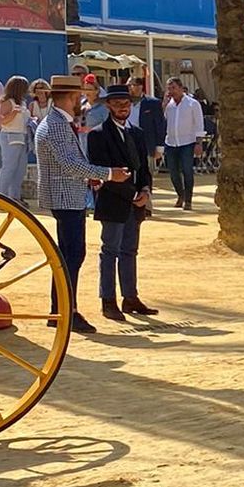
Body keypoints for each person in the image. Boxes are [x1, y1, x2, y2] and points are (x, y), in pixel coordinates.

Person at [34, 77, 120, 335]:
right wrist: (107, 173)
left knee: (69, 254)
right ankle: (65, 310)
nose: (80, 101)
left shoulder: (56, 121)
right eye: (77, 96)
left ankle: (59, 309)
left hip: (65, 193)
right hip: (65, 196)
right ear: (70, 97)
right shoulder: (58, 124)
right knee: (72, 254)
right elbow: (70, 164)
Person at [86, 82, 156, 319]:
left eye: (126, 104)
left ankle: (130, 297)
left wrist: (145, 190)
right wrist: (133, 194)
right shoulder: (97, 135)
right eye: (117, 104)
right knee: (110, 251)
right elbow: (102, 171)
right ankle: (108, 300)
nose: (122, 108)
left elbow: (144, 168)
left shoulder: (137, 133)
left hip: (135, 202)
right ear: (108, 106)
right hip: (113, 201)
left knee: (130, 250)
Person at [163, 78, 205, 209]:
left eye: (173, 88)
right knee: (173, 172)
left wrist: (198, 142)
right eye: (169, 88)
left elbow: (199, 123)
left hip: (187, 142)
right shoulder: (169, 105)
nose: (171, 91)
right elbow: (164, 120)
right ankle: (180, 195)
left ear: (181, 88)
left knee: (187, 171)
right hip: (171, 142)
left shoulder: (193, 104)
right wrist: (164, 104)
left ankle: (188, 200)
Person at [0, 76, 33, 204]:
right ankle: (1, 197)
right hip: (10, 135)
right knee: (9, 167)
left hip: (22, 136)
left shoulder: (22, 102)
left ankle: (14, 197)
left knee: (20, 168)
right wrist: (14, 113)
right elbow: (2, 120)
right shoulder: (7, 101)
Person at [130, 73, 167, 166]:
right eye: (129, 85)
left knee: (146, 174)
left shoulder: (152, 103)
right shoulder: (124, 102)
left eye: (134, 85)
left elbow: (159, 125)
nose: (131, 87)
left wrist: (159, 147)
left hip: (146, 145)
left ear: (141, 86)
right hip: (128, 143)